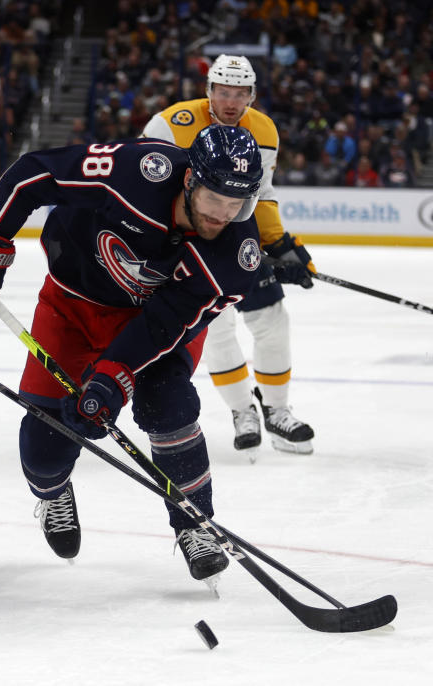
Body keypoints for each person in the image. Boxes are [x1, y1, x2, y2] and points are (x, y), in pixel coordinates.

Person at [0, 125, 263, 586]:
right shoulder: (136, 172)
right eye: (216, 199)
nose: (224, 215)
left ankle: (196, 523)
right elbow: (33, 174)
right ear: (190, 178)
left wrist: (113, 376)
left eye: (239, 205)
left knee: (167, 403)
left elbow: (164, 324)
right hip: (72, 303)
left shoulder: (236, 257)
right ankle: (53, 493)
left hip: (156, 324)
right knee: (44, 448)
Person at [142, 54, 317, 457]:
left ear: (252, 95)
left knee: (272, 319)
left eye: (241, 93)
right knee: (216, 329)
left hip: (240, 238)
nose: (232, 101)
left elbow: (264, 192)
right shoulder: (170, 124)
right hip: (187, 241)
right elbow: (145, 182)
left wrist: (280, 244)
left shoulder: (264, 130)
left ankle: (276, 410)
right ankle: (242, 411)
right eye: (224, 91)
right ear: (209, 91)